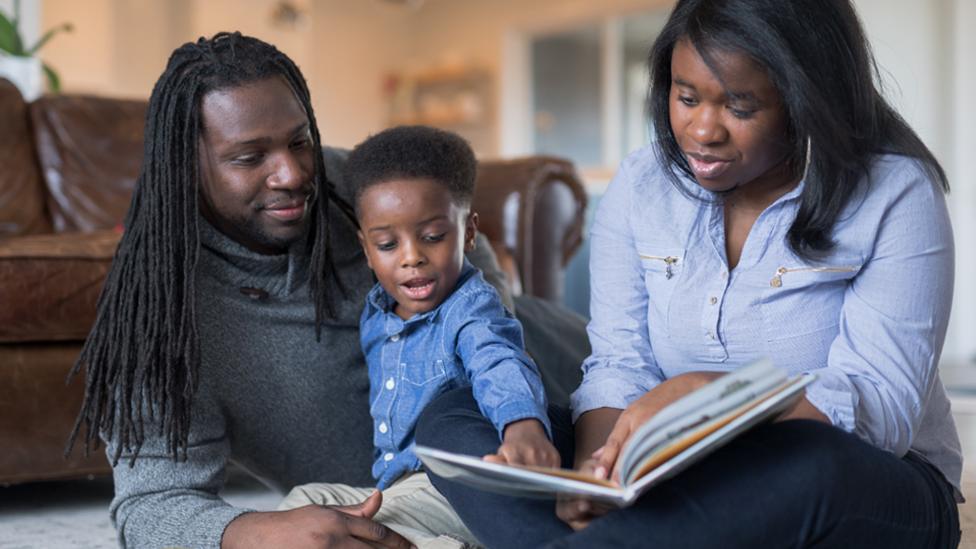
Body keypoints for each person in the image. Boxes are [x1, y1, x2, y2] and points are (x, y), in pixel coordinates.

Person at [416, 0, 962, 547]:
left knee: (812, 461)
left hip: (860, 479)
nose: (702, 130)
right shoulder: (642, 184)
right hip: (676, 472)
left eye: (741, 107)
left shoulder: (895, 191)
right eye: (686, 97)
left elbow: (883, 413)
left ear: (807, 99)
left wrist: (710, 399)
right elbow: (618, 362)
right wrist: (595, 474)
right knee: (456, 414)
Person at [66, 33, 587, 548]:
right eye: (250, 158)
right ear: (186, 165)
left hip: (559, 385)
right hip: (396, 494)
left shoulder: (347, 185)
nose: (291, 174)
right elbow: (149, 506)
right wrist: (250, 531)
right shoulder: (158, 305)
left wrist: (477, 367)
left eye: (299, 141)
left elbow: (471, 252)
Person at [278, 125, 561, 549]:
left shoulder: (471, 308)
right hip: (398, 487)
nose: (412, 256)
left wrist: (522, 425)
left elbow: (497, 358)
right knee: (303, 506)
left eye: (433, 237)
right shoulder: (377, 314)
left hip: (455, 488)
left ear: (468, 232)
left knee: (377, 533)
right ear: (367, 250)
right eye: (388, 244)